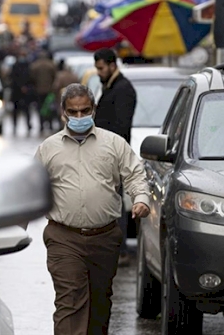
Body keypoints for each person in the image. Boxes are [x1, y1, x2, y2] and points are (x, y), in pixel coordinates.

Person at [35, 84, 150, 335]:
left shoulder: (114, 144)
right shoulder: (48, 149)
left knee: (100, 303)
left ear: (94, 110)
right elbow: (33, 186)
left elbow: (135, 175)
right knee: (70, 301)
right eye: (72, 112)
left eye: (84, 111)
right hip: (63, 238)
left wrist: (141, 198)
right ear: (63, 113)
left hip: (105, 237)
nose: (78, 117)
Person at [93, 48, 137, 267]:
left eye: (101, 68)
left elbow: (120, 127)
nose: (99, 72)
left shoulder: (123, 90)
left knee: (114, 205)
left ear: (112, 65)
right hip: (104, 155)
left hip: (113, 157)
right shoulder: (111, 87)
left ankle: (119, 251)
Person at [30, 52, 58, 133]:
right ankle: (50, 124)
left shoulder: (35, 65)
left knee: (40, 108)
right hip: (50, 90)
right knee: (50, 108)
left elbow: (32, 77)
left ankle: (41, 125)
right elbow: (55, 76)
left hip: (38, 90)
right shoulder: (51, 65)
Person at [9, 48, 34, 136]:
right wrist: (22, 87)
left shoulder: (27, 65)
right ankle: (15, 126)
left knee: (26, 110)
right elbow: (13, 78)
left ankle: (27, 126)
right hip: (17, 92)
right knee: (17, 110)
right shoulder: (17, 65)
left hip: (24, 92)